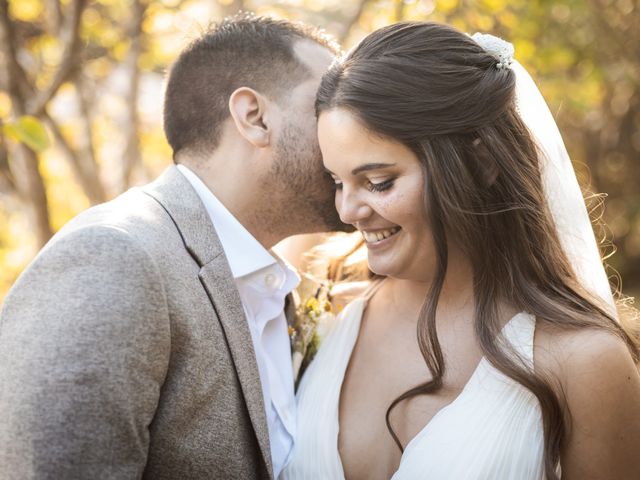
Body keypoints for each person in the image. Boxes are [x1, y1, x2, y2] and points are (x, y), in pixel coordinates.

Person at [281, 22, 640, 479]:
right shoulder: (332, 307)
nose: (348, 210)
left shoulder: (582, 363)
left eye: (377, 182)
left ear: (481, 164)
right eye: (337, 181)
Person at [0, 13, 345, 479]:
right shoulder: (115, 257)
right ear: (254, 117)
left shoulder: (275, 290)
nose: (350, 131)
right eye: (327, 107)